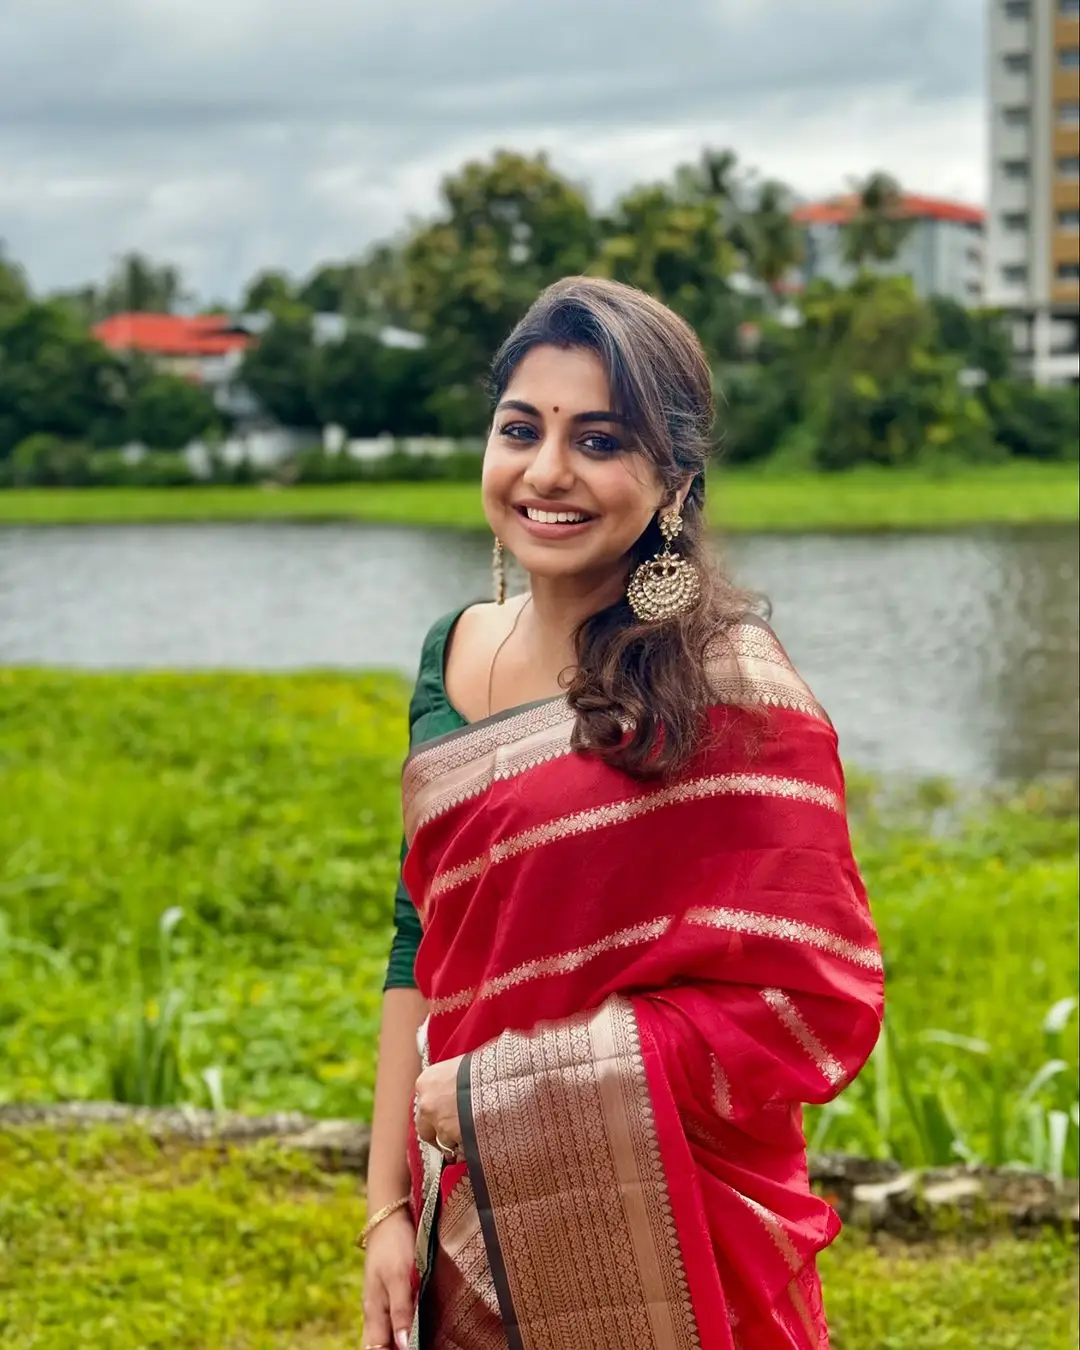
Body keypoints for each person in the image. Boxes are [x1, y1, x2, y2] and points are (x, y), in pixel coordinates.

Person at [360, 276, 884, 1350]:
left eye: (599, 441)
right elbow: (421, 937)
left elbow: (811, 998)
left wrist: (508, 1094)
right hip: (452, 1201)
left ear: (674, 480)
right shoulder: (449, 651)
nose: (547, 473)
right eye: (522, 429)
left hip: (674, 1225)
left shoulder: (728, 693)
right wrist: (385, 1205)